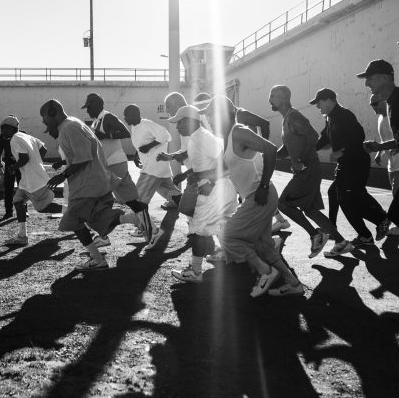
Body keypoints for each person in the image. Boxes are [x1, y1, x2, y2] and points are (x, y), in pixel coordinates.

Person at [199, 96, 304, 297]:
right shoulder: (228, 138)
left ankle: (266, 272)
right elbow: (224, 168)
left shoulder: (238, 132)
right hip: (255, 196)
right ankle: (293, 283)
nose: (209, 121)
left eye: (211, 116)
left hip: (260, 195)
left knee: (228, 236)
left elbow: (270, 149)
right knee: (262, 245)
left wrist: (264, 185)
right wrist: (205, 180)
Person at [41, 100, 152, 271]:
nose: (44, 124)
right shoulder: (74, 124)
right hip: (96, 181)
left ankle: (97, 259)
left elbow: (83, 157)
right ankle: (136, 219)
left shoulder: (68, 128)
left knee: (73, 220)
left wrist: (62, 175)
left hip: (87, 184)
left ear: (52, 112)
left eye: (45, 119)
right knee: (96, 218)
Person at [270, 86, 353, 258]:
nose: (269, 100)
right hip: (307, 169)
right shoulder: (287, 118)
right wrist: (270, 155)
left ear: (283, 97)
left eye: (272, 96)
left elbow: (313, 137)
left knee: (283, 203)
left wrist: (298, 159)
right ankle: (341, 243)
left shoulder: (293, 116)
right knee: (310, 210)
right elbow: (288, 147)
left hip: (307, 169)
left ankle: (316, 234)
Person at [166, 105, 238, 283]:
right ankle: (244, 251)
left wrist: (209, 182)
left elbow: (225, 167)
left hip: (214, 189)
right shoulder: (195, 138)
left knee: (198, 230)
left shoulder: (204, 138)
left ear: (191, 121)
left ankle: (196, 272)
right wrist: (188, 174)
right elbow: (203, 164)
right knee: (218, 224)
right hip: (211, 188)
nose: (177, 127)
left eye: (180, 122)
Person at [311, 87, 389, 249]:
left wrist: (342, 151)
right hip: (346, 164)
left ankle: (372, 227)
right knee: (336, 193)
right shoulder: (330, 118)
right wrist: (309, 150)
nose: (317, 107)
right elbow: (324, 138)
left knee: (348, 201)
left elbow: (358, 135)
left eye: (319, 103)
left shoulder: (344, 115)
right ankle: (333, 227)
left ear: (328, 100)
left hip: (355, 163)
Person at [80, 93, 154, 246]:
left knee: (101, 201)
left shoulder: (107, 117)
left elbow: (125, 132)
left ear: (96, 105)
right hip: (113, 165)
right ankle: (152, 229)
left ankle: (103, 236)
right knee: (132, 201)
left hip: (114, 165)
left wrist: (105, 134)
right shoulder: (97, 121)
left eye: (88, 107)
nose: (87, 111)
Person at [0, 115, 63, 246]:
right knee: (18, 201)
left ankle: (72, 211)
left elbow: (24, 158)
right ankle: (22, 236)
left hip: (34, 181)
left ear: (11, 128)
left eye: (3, 128)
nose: (1, 131)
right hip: (28, 181)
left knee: (42, 208)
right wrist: (37, 163)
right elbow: (43, 148)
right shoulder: (27, 136)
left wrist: (13, 167)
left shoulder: (14, 140)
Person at [123, 104, 182, 246]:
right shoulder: (135, 126)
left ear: (136, 114)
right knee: (171, 193)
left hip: (153, 167)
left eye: (127, 115)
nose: (125, 118)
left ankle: (151, 231)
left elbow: (166, 135)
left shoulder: (147, 124)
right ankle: (195, 212)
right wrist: (138, 153)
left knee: (137, 200)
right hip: (157, 168)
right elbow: (142, 143)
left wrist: (148, 147)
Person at [358, 59, 399, 235]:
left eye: (370, 78)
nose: (367, 83)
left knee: (397, 212)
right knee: (397, 213)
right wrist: (380, 147)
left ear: (385, 78)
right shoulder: (392, 104)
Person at [0, 120, 22, 219]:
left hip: (21, 165)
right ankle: (8, 212)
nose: (3, 131)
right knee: (8, 189)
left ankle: (24, 211)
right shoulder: (3, 136)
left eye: (4, 128)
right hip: (9, 165)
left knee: (22, 188)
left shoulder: (22, 134)